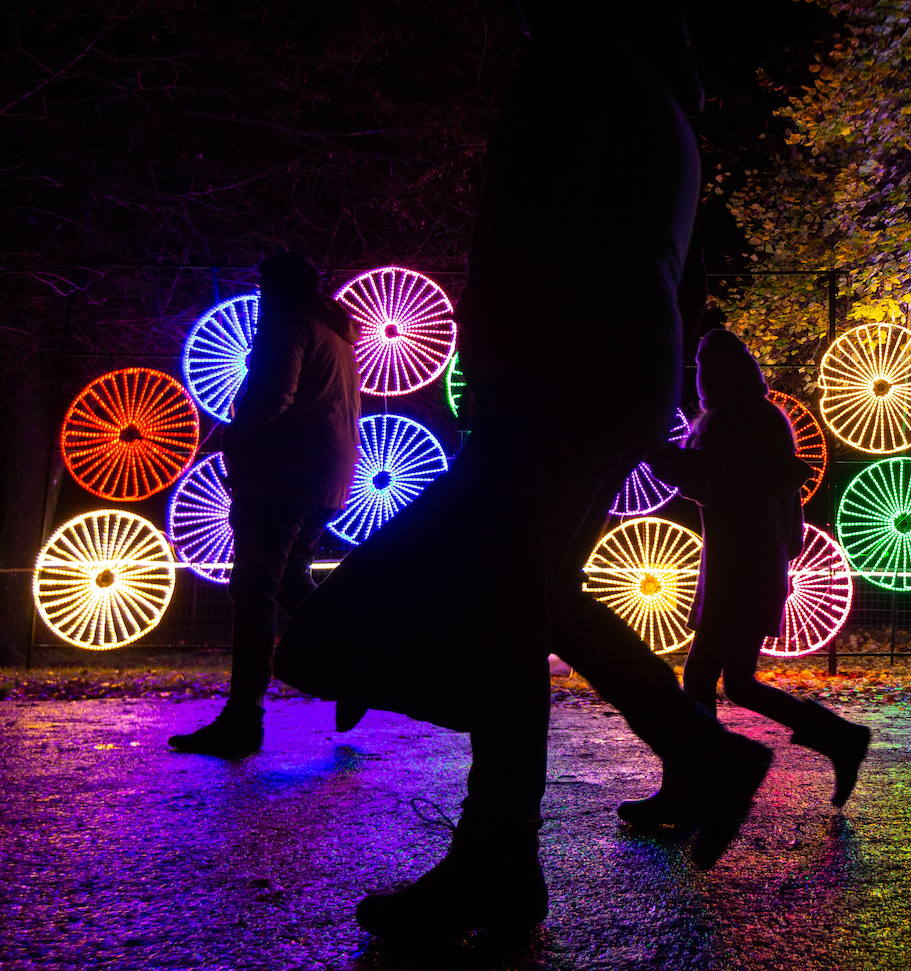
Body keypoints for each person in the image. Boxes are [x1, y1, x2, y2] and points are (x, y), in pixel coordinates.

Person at [275, 5, 772, 940]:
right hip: (620, 376)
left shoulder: (580, 64)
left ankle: (532, 832)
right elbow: (681, 279)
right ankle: (647, 781)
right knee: (533, 600)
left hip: (554, 374)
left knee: (329, 637)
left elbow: (535, 232)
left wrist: (496, 372)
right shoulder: (667, 105)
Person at [617, 330, 871, 829]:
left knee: (703, 677)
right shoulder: (766, 420)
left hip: (736, 563)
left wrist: (651, 450)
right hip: (757, 561)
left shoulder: (728, 424)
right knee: (736, 681)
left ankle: (685, 791)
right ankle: (837, 739)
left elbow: (712, 483)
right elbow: (766, 488)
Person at [170, 252, 361, 757]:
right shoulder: (336, 332)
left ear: (273, 289)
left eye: (262, 288)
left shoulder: (288, 323)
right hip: (326, 475)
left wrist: (236, 439)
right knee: (293, 581)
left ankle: (243, 721)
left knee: (254, 590)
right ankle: (359, 664)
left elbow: (272, 396)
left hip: (284, 472)